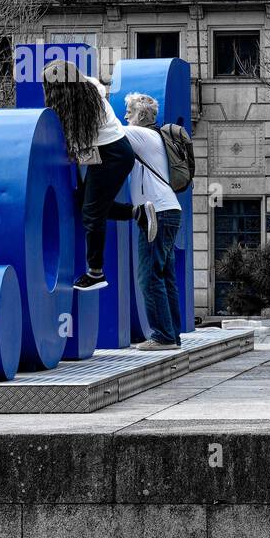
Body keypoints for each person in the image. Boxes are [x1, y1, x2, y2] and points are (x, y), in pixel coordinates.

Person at [42, 59, 135, 290]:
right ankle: (139, 213)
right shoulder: (89, 88)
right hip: (113, 152)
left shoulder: (80, 107)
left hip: (112, 154)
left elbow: (77, 145)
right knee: (86, 203)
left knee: (92, 213)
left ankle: (96, 273)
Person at [119, 91, 183, 351]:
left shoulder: (140, 135)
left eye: (129, 112)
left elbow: (108, 132)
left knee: (148, 276)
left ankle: (163, 337)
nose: (126, 116)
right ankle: (172, 334)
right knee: (165, 276)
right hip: (169, 209)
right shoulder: (154, 138)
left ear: (142, 115)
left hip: (155, 212)